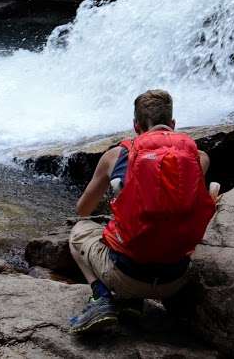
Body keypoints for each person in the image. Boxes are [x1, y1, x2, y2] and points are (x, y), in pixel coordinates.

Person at [67, 89, 216, 334]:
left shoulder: (115, 156)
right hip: (175, 280)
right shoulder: (199, 158)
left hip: (126, 276)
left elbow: (83, 210)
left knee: (80, 231)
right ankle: (132, 304)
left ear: (136, 126)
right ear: (173, 124)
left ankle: (101, 297)